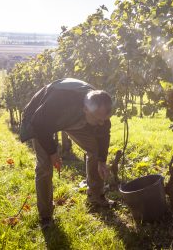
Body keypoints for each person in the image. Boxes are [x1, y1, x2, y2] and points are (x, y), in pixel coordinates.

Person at [20, 78, 113, 229]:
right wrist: (52, 152)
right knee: (44, 167)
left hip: (75, 120)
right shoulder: (58, 101)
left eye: (105, 119)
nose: (102, 123)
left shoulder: (99, 108)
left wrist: (102, 160)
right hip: (41, 122)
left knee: (95, 151)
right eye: (98, 120)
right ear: (85, 110)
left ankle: (95, 196)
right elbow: (39, 124)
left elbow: (104, 133)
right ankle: (46, 216)